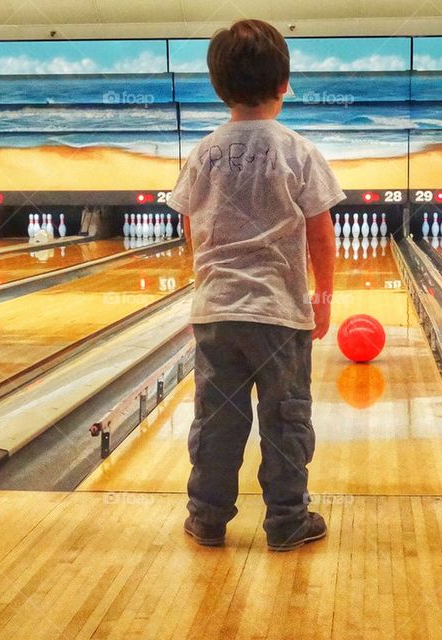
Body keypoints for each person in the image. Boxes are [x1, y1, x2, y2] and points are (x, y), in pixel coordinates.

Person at [167, 19, 344, 552]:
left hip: (217, 312)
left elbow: (189, 225)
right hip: (280, 313)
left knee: (216, 420)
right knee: (286, 418)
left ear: (219, 87)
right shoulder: (299, 151)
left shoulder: (202, 152)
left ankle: (207, 519)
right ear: (284, 83)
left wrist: (208, 280)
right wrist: (324, 296)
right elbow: (321, 234)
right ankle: (287, 521)